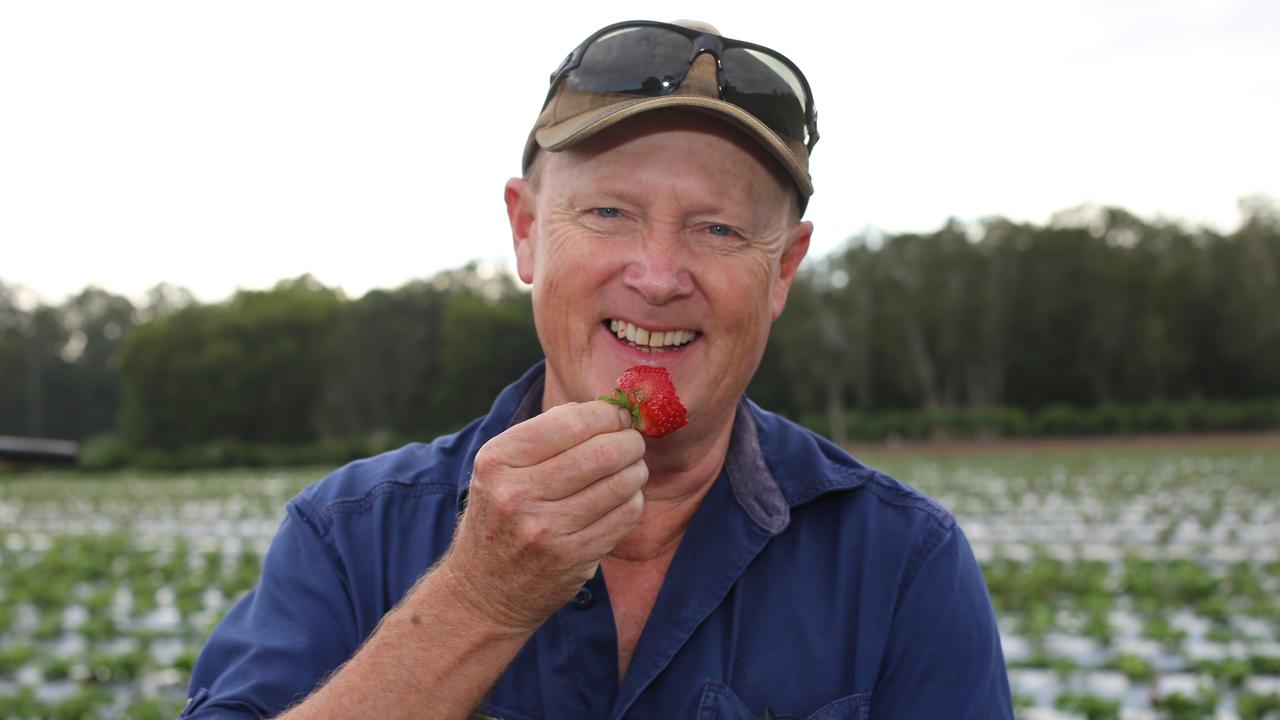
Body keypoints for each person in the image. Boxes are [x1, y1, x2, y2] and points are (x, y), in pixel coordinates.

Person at [182, 19, 1014, 720]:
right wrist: (477, 602)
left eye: (718, 230)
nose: (657, 275)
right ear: (526, 230)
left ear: (784, 270)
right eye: (610, 212)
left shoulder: (904, 563)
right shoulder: (347, 535)